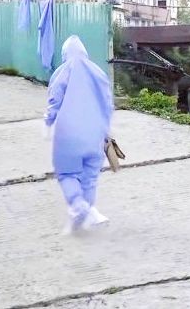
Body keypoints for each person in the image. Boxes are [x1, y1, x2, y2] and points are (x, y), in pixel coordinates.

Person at [44, 35, 113, 233]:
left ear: (65, 54)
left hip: (69, 135)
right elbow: (107, 104)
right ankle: (89, 209)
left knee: (67, 173)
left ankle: (77, 205)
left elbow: (54, 100)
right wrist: (106, 128)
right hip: (94, 134)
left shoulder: (61, 72)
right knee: (90, 176)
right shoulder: (98, 72)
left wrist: (48, 121)